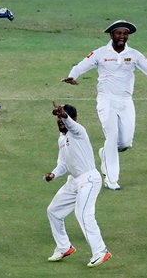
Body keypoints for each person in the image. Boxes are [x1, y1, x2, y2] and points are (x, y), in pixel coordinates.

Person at [62, 20, 147, 191]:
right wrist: (72, 76)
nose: (122, 36)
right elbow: (81, 65)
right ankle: (111, 179)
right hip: (106, 99)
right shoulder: (100, 53)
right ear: (111, 35)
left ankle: (106, 153)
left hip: (126, 101)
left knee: (125, 142)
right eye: (119, 33)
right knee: (112, 135)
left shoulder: (134, 54)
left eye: (125, 34)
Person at [45, 101, 111, 268]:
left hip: (88, 180)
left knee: (83, 214)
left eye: (62, 118)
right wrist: (53, 174)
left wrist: (64, 116)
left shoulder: (79, 131)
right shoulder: (62, 139)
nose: (59, 121)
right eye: (58, 119)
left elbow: (70, 124)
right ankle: (64, 247)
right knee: (53, 211)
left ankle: (101, 251)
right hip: (73, 181)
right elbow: (63, 164)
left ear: (73, 118)